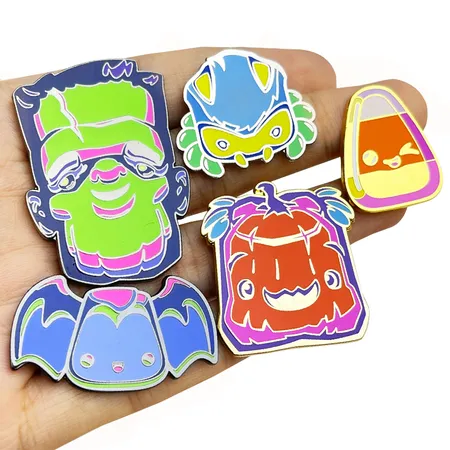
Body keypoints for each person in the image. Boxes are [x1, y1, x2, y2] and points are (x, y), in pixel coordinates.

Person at [0, 47, 427, 449]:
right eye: (71, 175)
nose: (108, 177)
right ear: (42, 212)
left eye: (139, 162)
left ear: (177, 187)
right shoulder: (48, 316)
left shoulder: (186, 313)